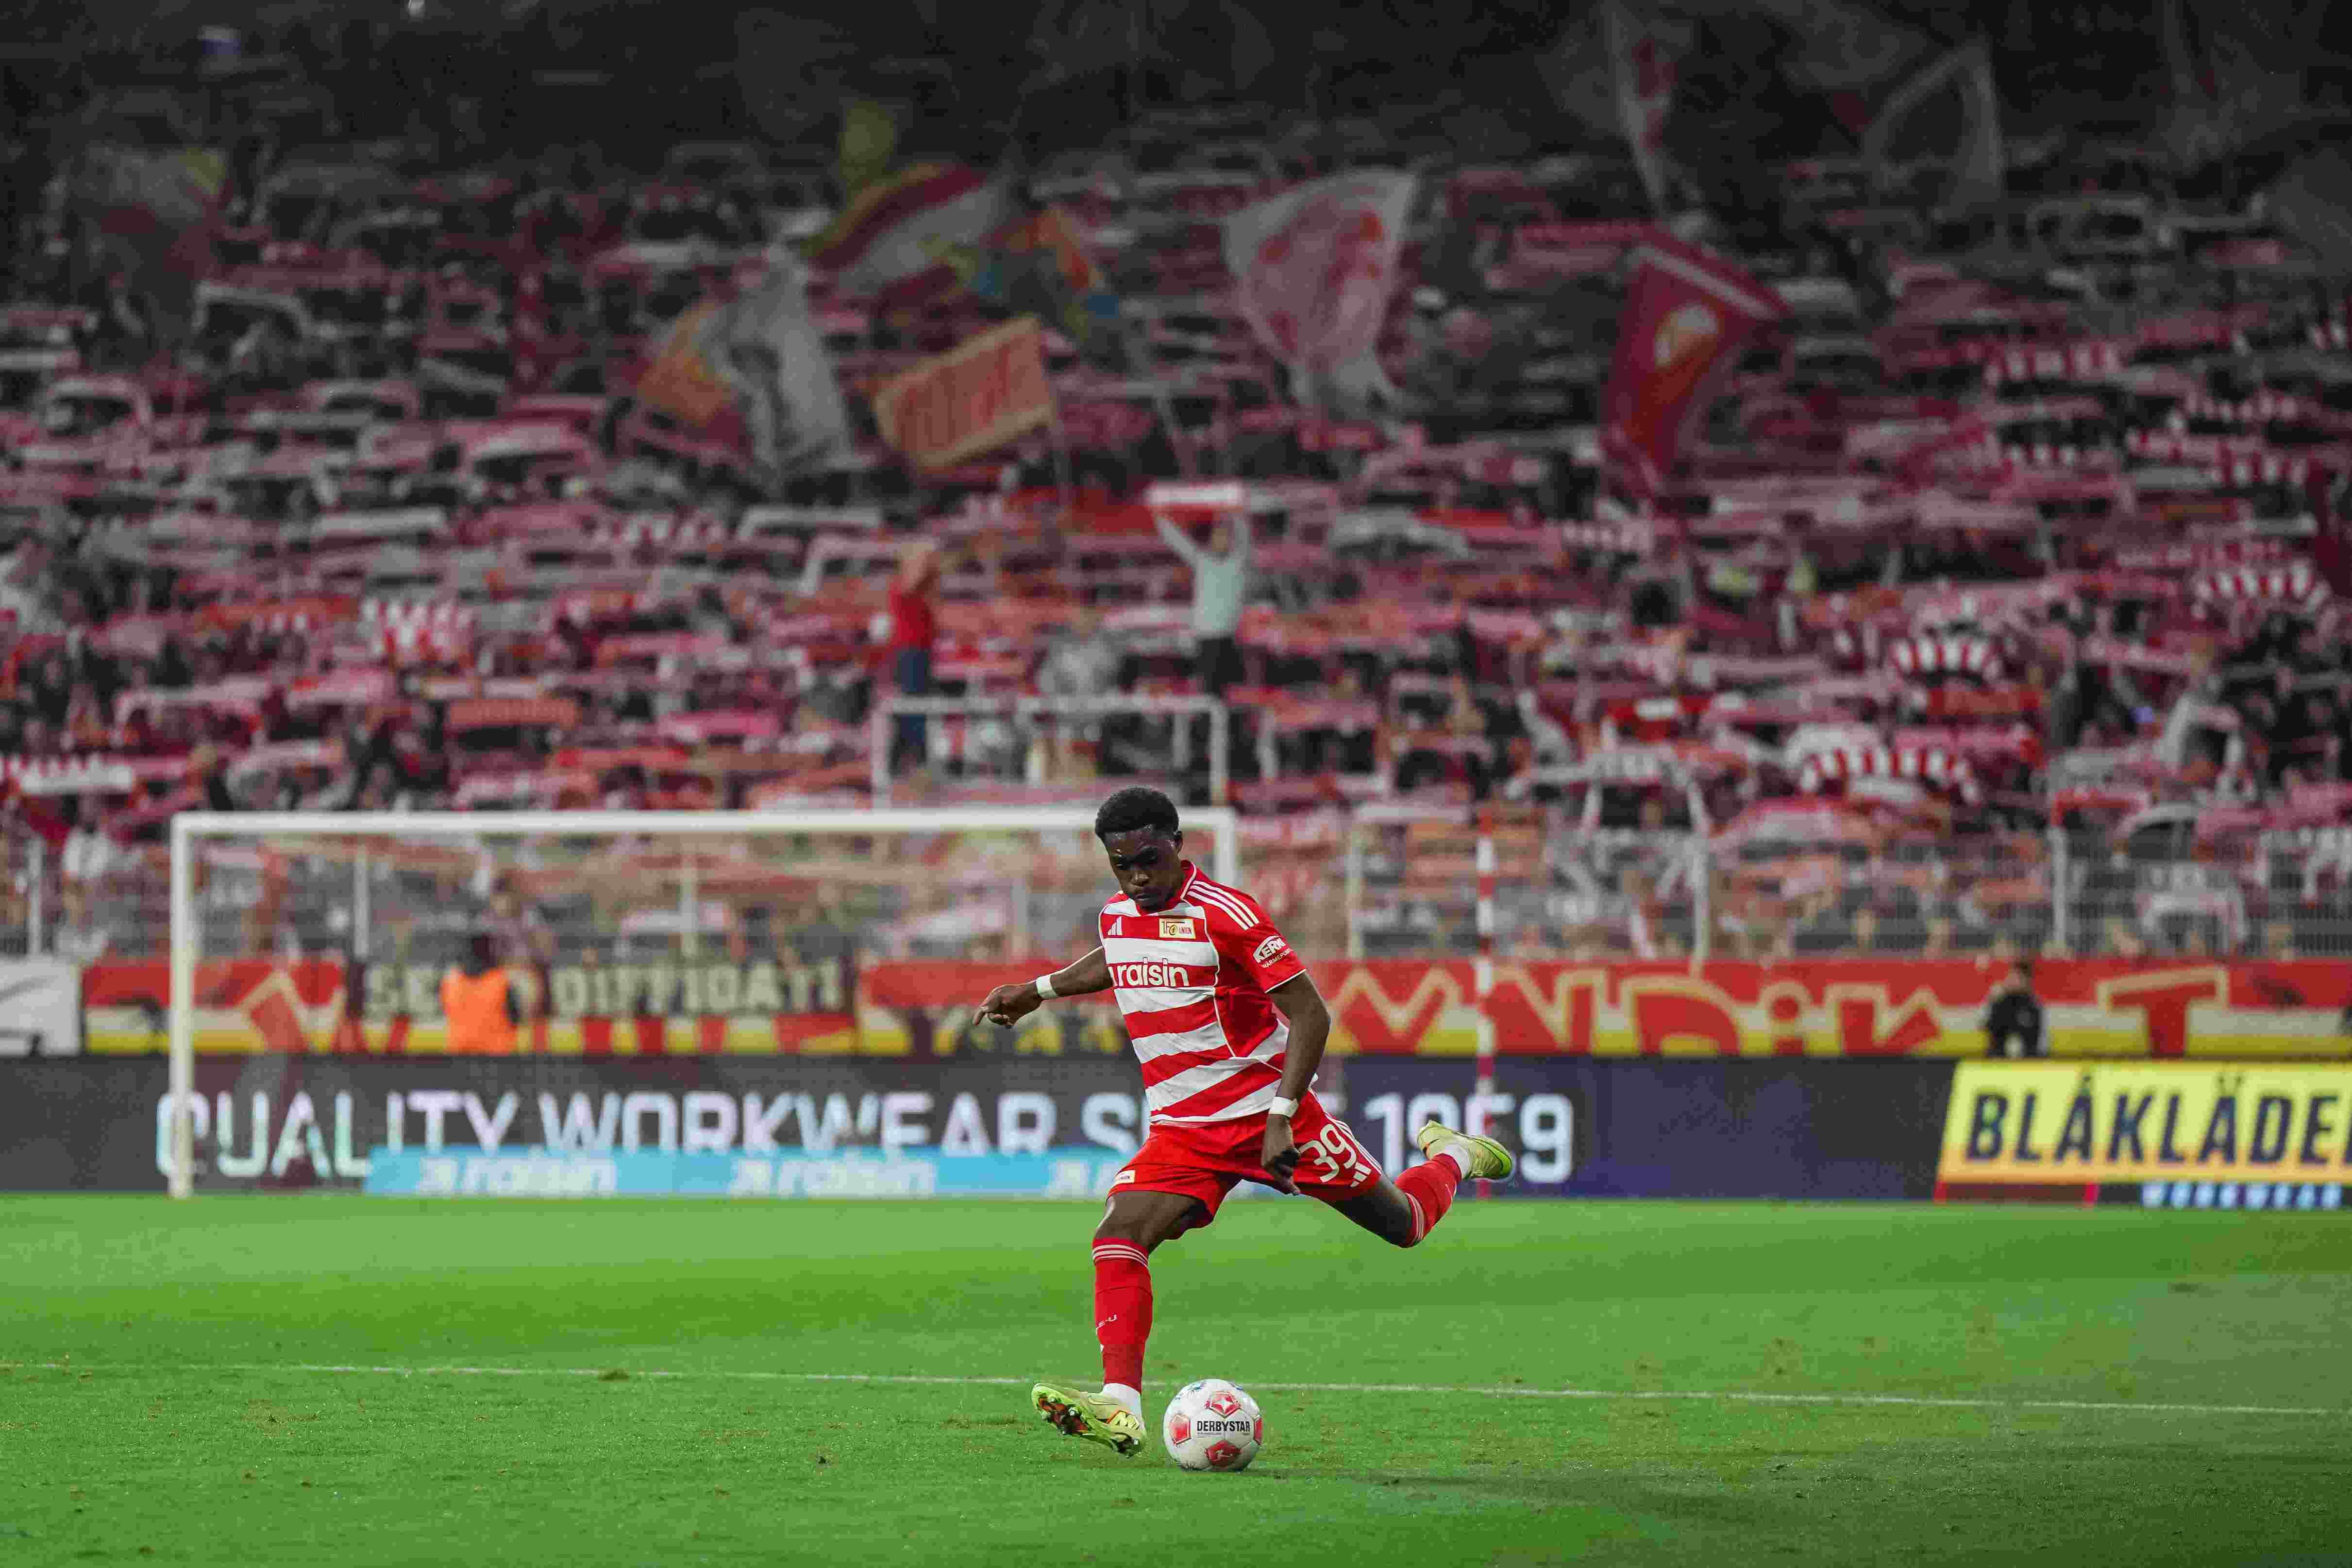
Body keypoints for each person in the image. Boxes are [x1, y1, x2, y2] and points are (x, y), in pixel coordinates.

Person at [974, 786, 1513, 1456]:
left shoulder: (1228, 915)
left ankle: (1454, 1154)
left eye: (1147, 858)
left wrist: (1283, 1116)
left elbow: (1312, 1014)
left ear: (1176, 845)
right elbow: (1115, 955)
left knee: (1404, 1223)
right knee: (1118, 1236)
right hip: (1184, 1131)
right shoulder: (1120, 913)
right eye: (1122, 865)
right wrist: (1037, 991)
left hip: (1268, 1115)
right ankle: (1120, 1403)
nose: (1137, 875)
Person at [1151, 509, 1250, 699]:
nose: (1221, 541)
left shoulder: (1238, 561)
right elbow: (1178, 542)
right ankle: (1211, 724)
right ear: (1211, 541)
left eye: (1225, 537)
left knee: (1233, 694)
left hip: (1229, 637)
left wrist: (1235, 511)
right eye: (1217, 537)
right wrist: (1160, 517)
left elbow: (1245, 536)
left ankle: (1230, 725)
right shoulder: (1202, 560)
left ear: (1231, 540)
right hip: (1206, 638)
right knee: (1211, 695)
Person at [887, 542, 941, 777]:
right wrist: (923, 560)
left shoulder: (922, 592)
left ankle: (904, 761)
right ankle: (916, 761)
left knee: (915, 708)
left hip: (921, 654)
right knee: (914, 708)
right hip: (910, 654)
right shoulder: (900, 587)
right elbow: (916, 579)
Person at [440, 933, 522, 1055]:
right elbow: (516, 1019)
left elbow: (445, 1012)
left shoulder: (449, 982)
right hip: (499, 1059)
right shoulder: (503, 982)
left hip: (459, 1057)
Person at [1984, 960, 2046, 1060]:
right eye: (2010, 977)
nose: (2011, 981)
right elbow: (1985, 1026)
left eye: (2017, 978)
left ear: (2027, 981)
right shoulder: (1999, 1002)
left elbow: (2041, 1042)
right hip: (1998, 1061)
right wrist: (1991, 1001)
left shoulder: (2034, 1006)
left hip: (2027, 1063)